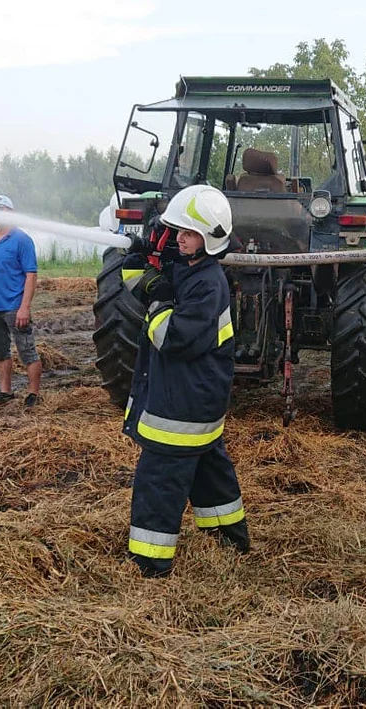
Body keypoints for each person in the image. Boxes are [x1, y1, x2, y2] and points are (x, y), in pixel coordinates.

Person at [120, 184, 247, 577]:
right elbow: (137, 281)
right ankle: (229, 537)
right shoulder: (190, 269)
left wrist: (157, 299)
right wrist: (141, 257)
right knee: (209, 472)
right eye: (177, 231)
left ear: (208, 239)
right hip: (198, 400)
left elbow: (173, 338)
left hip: (182, 406)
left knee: (159, 480)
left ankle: (149, 562)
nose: (179, 238)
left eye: (187, 233)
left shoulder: (208, 283)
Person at [0, 194, 42, 408]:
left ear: (8, 212)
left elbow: (31, 275)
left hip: (14, 307)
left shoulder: (22, 239)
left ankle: (33, 393)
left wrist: (25, 307)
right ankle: (5, 391)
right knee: (0, 351)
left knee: (27, 351)